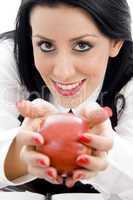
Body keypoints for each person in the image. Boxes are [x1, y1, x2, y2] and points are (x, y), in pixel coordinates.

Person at [0, 0, 133, 199]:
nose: (63, 73)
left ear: (116, 43)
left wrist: (108, 150)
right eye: (45, 45)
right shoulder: (8, 58)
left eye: (82, 45)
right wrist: (18, 152)